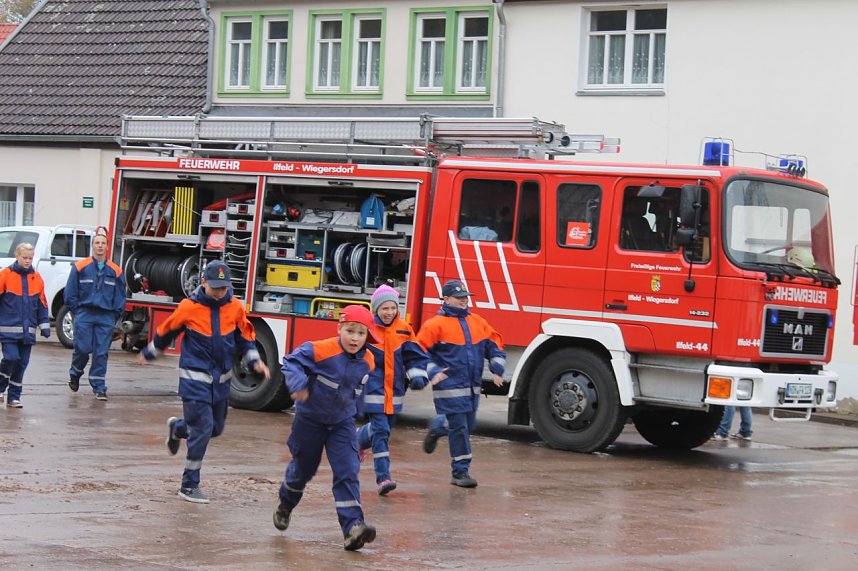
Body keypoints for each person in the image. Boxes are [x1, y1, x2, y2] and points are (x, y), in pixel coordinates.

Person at [136, 260, 270, 503]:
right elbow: (167, 331)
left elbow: (246, 338)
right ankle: (189, 485)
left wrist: (255, 361)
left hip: (221, 381)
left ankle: (178, 428)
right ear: (204, 282)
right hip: (194, 379)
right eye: (215, 287)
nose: (219, 292)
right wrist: (150, 352)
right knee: (203, 428)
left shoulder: (235, 307)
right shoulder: (189, 308)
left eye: (223, 288)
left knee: (215, 429)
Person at [273, 305, 378, 551]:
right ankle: (285, 504)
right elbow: (291, 362)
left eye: (361, 333)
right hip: (309, 421)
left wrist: (361, 432)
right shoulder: (319, 350)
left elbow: (359, 393)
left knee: (348, 470)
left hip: (342, 423)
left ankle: (353, 528)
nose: (355, 338)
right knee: (303, 470)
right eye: (350, 331)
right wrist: (298, 385)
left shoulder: (368, 361)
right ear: (339, 328)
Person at [417, 279, 506, 488]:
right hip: (448, 388)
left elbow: (494, 345)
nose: (464, 301)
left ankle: (438, 427)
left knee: (468, 425)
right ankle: (460, 472)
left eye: (465, 297)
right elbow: (418, 353)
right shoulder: (434, 325)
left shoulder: (477, 321)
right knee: (459, 428)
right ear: (446, 299)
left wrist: (497, 369)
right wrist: (433, 371)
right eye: (459, 298)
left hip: (472, 389)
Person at [357, 285, 429, 496]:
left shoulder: (404, 329)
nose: (389, 312)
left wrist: (417, 375)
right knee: (381, 432)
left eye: (392, 308)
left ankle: (357, 440)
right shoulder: (367, 329)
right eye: (384, 308)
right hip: (373, 390)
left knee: (382, 429)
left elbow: (414, 356)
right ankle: (383, 478)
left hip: (395, 392)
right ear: (376, 309)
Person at [65, 226, 126, 400]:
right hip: (84, 313)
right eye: (97, 243)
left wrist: (114, 316)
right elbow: (70, 293)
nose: (100, 246)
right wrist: (77, 311)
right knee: (82, 349)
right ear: (92, 246)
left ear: (107, 247)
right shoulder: (80, 267)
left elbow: (120, 297)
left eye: (103, 243)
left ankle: (99, 387)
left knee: (101, 353)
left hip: (106, 316)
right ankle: (75, 373)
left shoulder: (116, 270)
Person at [0, 243, 50, 408]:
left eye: (30, 258)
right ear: (17, 256)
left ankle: (14, 398)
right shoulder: (5, 275)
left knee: (22, 364)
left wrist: (44, 325)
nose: (28, 261)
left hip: (28, 331)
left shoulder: (37, 278)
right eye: (24, 257)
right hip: (7, 329)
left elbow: (42, 304)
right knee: (11, 358)